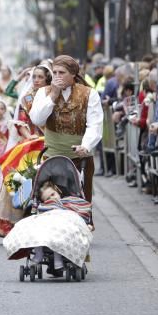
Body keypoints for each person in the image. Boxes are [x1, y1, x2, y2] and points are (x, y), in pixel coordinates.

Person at [29, 55, 103, 206]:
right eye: (54, 72)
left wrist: (86, 146)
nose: (57, 77)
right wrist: (53, 95)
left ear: (73, 74)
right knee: (51, 201)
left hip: (80, 158)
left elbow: (95, 124)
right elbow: (37, 119)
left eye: (61, 73)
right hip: (51, 158)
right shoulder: (44, 92)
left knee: (79, 203)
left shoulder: (90, 93)